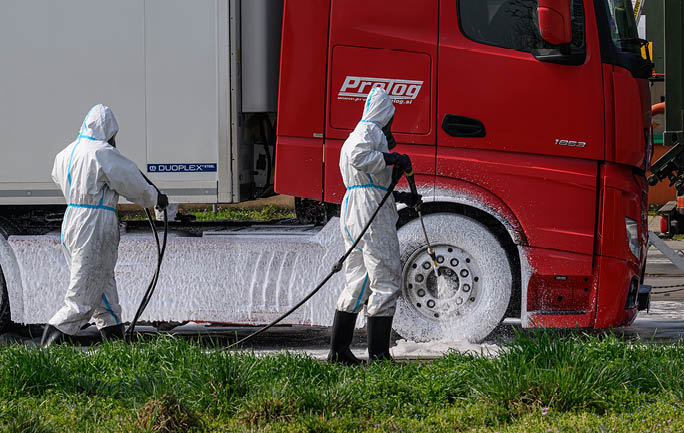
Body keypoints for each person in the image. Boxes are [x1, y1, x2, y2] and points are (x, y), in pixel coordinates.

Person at [41, 104, 168, 346]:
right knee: (82, 296)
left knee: (102, 286)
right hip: (94, 224)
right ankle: (48, 351)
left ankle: (116, 343)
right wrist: (155, 198)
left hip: (73, 218)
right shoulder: (102, 153)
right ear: (108, 129)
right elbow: (132, 182)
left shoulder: (66, 153)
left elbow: (58, 177)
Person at [328, 87, 421, 365]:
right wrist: (391, 159)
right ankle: (379, 356)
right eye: (391, 118)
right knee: (386, 278)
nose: (392, 125)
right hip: (369, 213)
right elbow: (360, 157)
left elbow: (370, 185)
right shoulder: (370, 131)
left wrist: (403, 198)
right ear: (384, 114)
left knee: (359, 281)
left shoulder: (360, 133)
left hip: (356, 208)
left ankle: (338, 352)